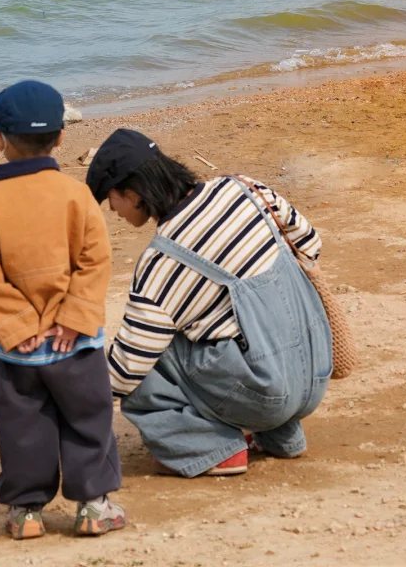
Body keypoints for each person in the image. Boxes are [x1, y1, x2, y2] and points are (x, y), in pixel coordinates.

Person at [86, 128, 332, 479]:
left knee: (149, 365)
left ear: (134, 192)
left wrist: (73, 393)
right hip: (315, 368)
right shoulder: (244, 188)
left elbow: (126, 371)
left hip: (269, 393)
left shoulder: (163, 262)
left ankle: (214, 450)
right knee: (219, 328)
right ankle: (280, 434)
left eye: (111, 197)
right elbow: (309, 245)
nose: (112, 210)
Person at [0, 80, 127, 540]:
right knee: (89, 419)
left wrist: (17, 324)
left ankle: (26, 512)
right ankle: (93, 506)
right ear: (61, 137)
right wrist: (74, 316)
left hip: (20, 349)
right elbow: (95, 260)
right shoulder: (76, 194)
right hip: (75, 343)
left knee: (23, 429)